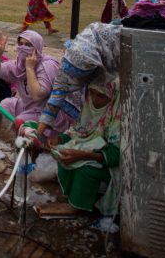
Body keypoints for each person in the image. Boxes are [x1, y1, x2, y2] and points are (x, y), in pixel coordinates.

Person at [50, 75, 121, 232]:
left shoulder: (118, 115)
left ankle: (86, 205)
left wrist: (82, 156)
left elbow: (117, 155)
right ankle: (77, 200)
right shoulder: (89, 107)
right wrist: (59, 139)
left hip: (114, 168)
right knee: (63, 156)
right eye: (92, 93)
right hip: (92, 154)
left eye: (101, 96)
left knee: (85, 169)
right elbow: (78, 130)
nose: (95, 99)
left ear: (112, 95)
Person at [0, 30, 60, 128]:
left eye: (28, 45)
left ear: (37, 47)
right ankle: (7, 137)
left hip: (46, 110)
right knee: (5, 104)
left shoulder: (47, 65)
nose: (23, 47)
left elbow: (38, 96)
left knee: (20, 121)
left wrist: (30, 68)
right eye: (20, 44)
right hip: (29, 106)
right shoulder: (19, 65)